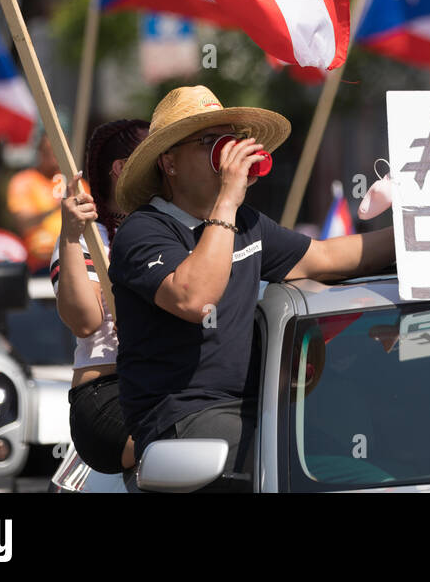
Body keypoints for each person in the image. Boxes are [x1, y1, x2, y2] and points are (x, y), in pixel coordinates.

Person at [109, 86, 396, 490]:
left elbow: (327, 258)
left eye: (229, 138)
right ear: (169, 163)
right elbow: (195, 298)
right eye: (209, 142)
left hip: (253, 410)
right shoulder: (144, 230)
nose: (224, 152)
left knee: (357, 458)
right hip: (181, 421)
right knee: (304, 472)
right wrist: (227, 199)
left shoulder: (245, 223)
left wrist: (414, 235)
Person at [51, 119, 148, 474]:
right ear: (122, 169)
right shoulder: (88, 238)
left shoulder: (172, 228)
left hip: (164, 384)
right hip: (109, 395)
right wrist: (72, 237)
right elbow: (86, 321)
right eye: (154, 154)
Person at [8, 136, 78, 273]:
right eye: (49, 151)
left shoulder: (73, 182)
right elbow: (23, 223)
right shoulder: (24, 181)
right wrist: (57, 208)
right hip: (39, 262)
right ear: (40, 152)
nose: (54, 157)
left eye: (58, 152)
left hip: (72, 258)